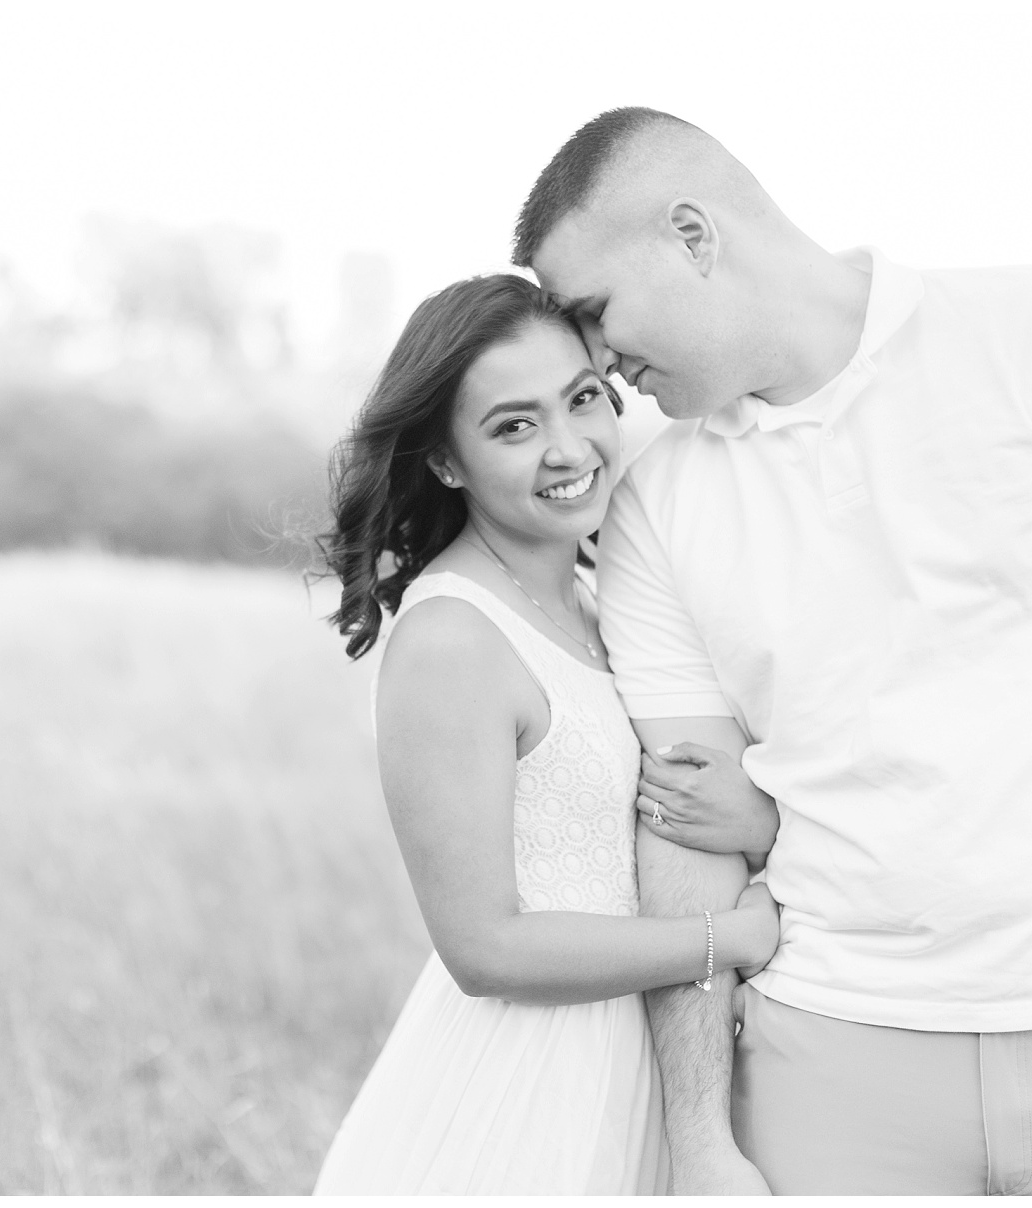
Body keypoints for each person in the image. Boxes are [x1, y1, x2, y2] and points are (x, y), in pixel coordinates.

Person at [513, 108, 1032, 1195]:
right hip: (833, 1065)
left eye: (596, 312)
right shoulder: (653, 505)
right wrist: (701, 1136)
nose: (600, 362)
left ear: (694, 234)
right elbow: (684, 819)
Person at [310, 273, 780, 1195]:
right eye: (514, 426)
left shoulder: (603, 601)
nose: (570, 448)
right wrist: (734, 936)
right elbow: (484, 947)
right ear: (447, 462)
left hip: (643, 1069)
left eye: (582, 400)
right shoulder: (453, 637)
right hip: (526, 1093)